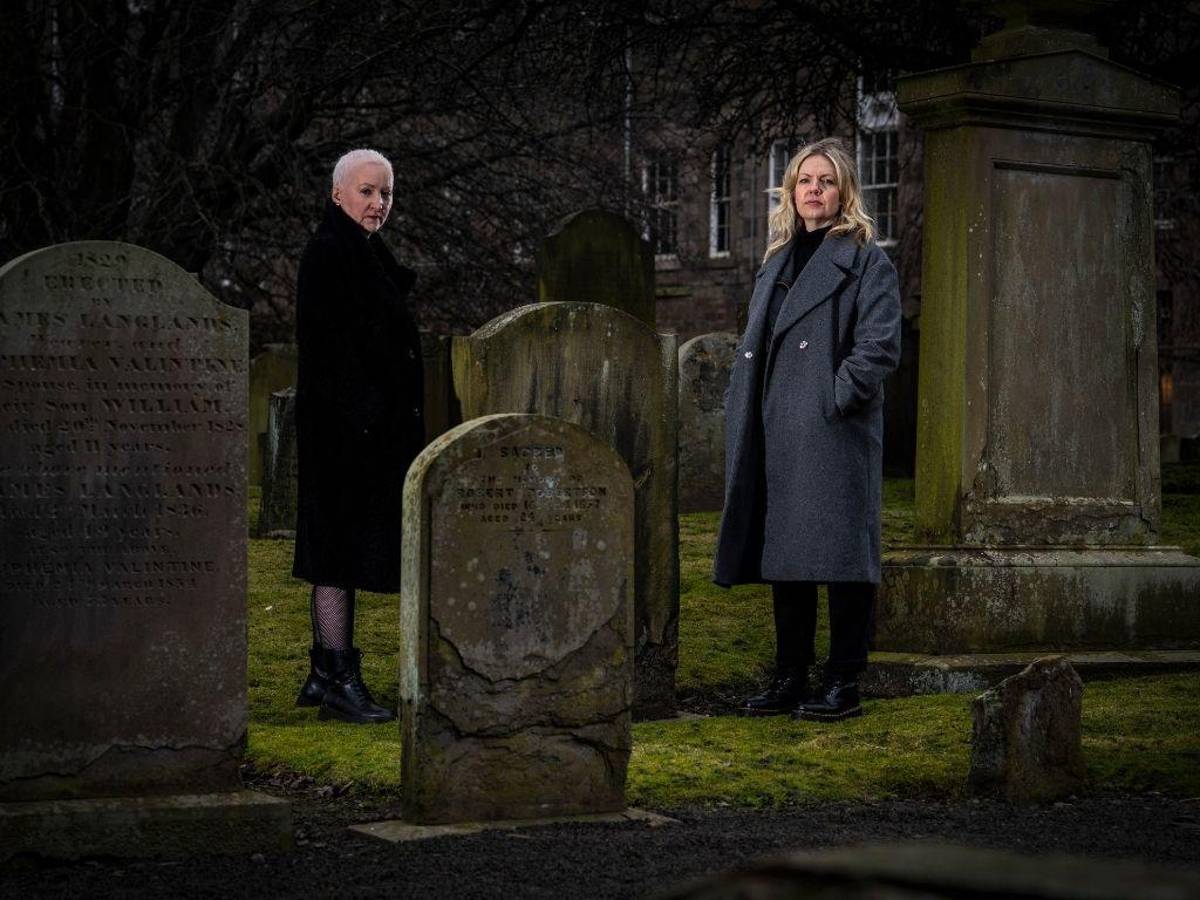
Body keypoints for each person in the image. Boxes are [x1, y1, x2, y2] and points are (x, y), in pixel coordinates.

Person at [713, 137, 901, 721]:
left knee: (843, 557)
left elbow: (879, 347)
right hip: (774, 426)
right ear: (791, 192)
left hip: (833, 430)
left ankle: (843, 681)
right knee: (787, 556)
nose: (814, 190)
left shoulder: (867, 259)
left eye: (826, 180)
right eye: (804, 180)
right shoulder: (776, 260)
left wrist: (833, 396)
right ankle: (790, 676)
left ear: (845, 191)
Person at [291, 148, 425, 724]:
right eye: (367, 192)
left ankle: (324, 672)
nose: (378, 203)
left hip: (362, 432)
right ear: (338, 194)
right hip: (344, 435)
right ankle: (341, 683)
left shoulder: (364, 251)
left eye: (386, 193)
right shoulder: (328, 253)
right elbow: (326, 349)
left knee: (337, 551)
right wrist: (368, 420)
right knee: (336, 555)